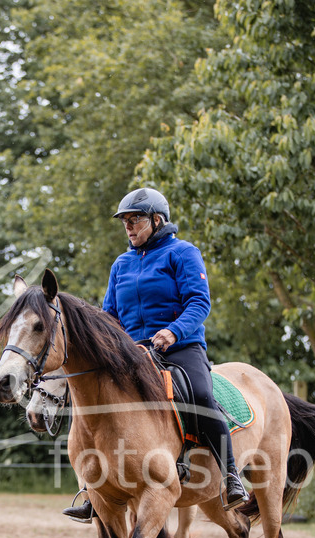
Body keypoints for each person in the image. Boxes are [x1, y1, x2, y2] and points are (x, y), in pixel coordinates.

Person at [63, 187, 249, 520]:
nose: (129, 228)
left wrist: (173, 331)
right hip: (132, 352)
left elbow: (199, 302)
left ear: (157, 220)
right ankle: (96, 490)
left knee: (203, 396)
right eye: (125, 222)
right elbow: (111, 315)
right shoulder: (121, 264)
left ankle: (231, 475)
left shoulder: (183, 253)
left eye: (135, 221)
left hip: (180, 346)